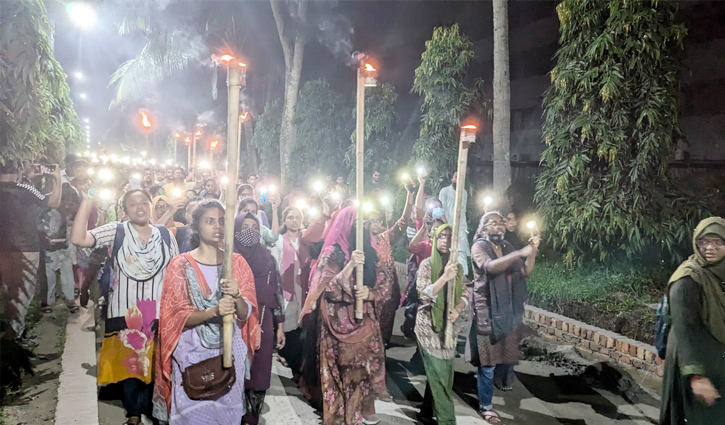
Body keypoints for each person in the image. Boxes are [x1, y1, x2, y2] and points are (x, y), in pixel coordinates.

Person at [71, 188, 178, 425]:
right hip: (126, 311)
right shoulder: (116, 230)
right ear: (124, 210)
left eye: (144, 202)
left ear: (150, 206)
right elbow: (78, 239)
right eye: (132, 204)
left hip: (159, 311)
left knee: (156, 363)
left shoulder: (165, 234)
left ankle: (157, 409)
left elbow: (175, 272)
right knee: (131, 365)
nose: (139, 207)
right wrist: (87, 202)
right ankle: (133, 413)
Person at [153, 200, 259, 424]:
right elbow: (176, 315)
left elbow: (245, 313)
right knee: (193, 414)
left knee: (226, 414)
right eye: (210, 221)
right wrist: (213, 311)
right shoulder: (180, 265)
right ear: (196, 226)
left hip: (229, 352)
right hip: (192, 352)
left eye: (221, 221)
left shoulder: (237, 263)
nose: (217, 226)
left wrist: (237, 295)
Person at [300, 206, 389, 425]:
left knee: (362, 371)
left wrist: (370, 292)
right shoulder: (333, 252)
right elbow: (325, 288)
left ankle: (362, 408)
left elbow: (385, 284)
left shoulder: (371, 252)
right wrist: (349, 266)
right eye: (356, 223)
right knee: (340, 372)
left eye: (364, 224)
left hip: (364, 322)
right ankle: (342, 415)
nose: (360, 229)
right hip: (336, 325)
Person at [467, 212, 538, 424]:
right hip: (487, 311)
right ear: (483, 228)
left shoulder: (506, 247)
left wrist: (532, 252)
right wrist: (519, 253)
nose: (498, 226)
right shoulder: (479, 247)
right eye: (492, 223)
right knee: (488, 363)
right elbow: (490, 267)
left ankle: (492, 383)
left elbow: (525, 271)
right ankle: (486, 407)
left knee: (506, 358)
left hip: (508, 311)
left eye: (500, 223)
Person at [660, 217, 725, 425]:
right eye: (703, 242)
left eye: (718, 242)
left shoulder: (719, 273)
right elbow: (685, 328)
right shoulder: (687, 279)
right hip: (691, 360)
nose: (710, 248)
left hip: (717, 360)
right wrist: (696, 376)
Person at [0, 160, 62, 344]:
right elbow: (53, 202)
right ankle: (15, 339)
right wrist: (57, 178)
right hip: (26, 248)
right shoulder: (25, 190)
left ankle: (14, 332)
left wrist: (27, 178)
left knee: (9, 291)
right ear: (18, 168)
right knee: (22, 293)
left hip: (4, 248)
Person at [233, 213, 286, 425]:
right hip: (235, 323)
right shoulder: (227, 258)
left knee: (260, 370)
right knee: (234, 368)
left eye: (254, 227)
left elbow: (277, 292)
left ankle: (251, 417)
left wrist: (280, 325)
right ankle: (233, 413)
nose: (249, 231)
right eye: (244, 226)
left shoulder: (269, 258)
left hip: (264, 320)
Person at [415, 224, 468, 425]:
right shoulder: (427, 265)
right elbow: (423, 293)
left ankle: (426, 412)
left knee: (443, 376)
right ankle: (447, 421)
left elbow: (465, 293)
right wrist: (445, 277)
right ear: (435, 240)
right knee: (439, 374)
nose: (445, 240)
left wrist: (458, 308)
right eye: (442, 237)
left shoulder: (458, 267)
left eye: (449, 237)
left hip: (449, 328)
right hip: (428, 326)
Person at [271, 202, 329, 378]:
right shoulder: (281, 240)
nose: (294, 221)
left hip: (303, 287)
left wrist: (325, 213)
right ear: (284, 220)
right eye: (290, 217)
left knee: (300, 323)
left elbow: (318, 232)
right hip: (286, 287)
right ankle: (287, 354)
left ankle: (297, 363)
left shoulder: (305, 240)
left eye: (298, 217)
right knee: (287, 323)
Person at [367, 183, 414, 347]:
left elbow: (404, 221)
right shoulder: (359, 242)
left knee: (384, 335)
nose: (375, 224)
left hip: (388, 294)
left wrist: (410, 195)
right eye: (371, 221)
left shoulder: (386, 237)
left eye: (378, 221)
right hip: (370, 295)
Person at [41, 184, 81, 314]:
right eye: (67, 200)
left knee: (67, 272)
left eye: (71, 201)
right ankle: (47, 301)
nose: (69, 204)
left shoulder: (69, 208)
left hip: (63, 244)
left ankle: (70, 300)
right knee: (49, 274)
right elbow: (39, 223)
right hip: (48, 244)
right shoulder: (48, 204)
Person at [438, 172, 470, 274]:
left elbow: (463, 210)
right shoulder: (445, 191)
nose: (458, 179)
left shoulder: (464, 193)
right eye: (456, 177)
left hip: (461, 227)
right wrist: (446, 226)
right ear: (452, 178)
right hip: (448, 227)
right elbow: (441, 209)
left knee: (461, 252)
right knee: (448, 251)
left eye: (461, 177)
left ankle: (463, 277)